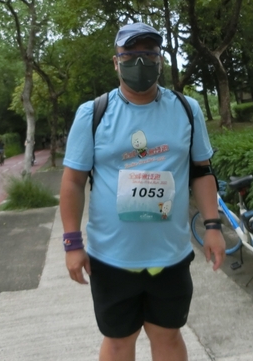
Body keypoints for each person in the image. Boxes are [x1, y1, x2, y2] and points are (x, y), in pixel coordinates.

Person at [60, 22, 226, 361]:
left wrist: (213, 226)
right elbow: (73, 181)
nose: (140, 62)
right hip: (111, 257)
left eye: (149, 54)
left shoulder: (186, 110)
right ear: (116, 62)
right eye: (130, 55)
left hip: (170, 255)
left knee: (168, 337)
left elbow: (202, 171)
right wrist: (72, 243)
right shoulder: (93, 114)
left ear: (160, 60)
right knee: (118, 342)